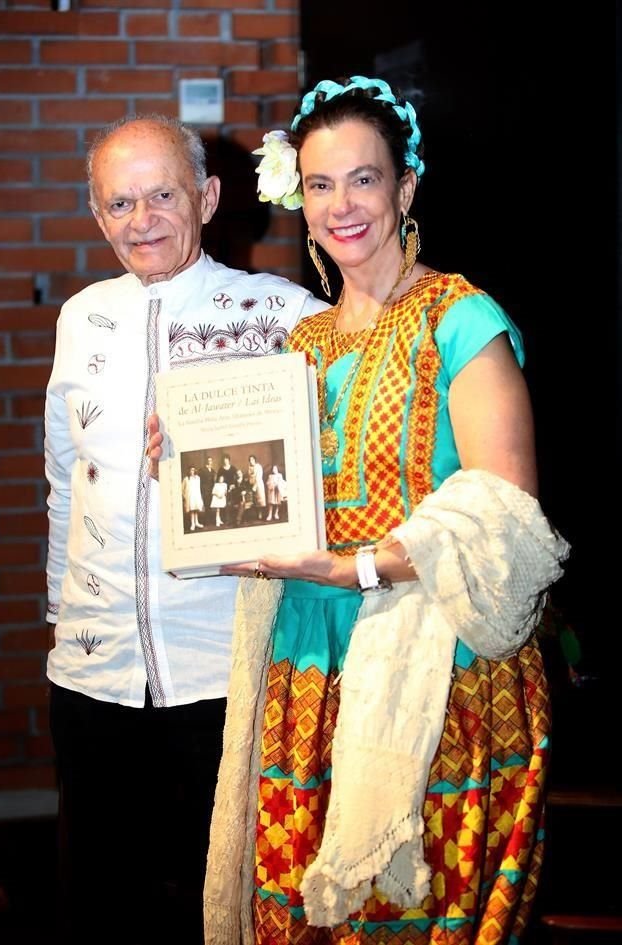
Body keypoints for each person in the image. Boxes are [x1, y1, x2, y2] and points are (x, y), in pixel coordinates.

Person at [202, 77, 571, 945]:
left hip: (432, 671)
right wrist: (191, 469)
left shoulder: (460, 317)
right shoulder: (305, 341)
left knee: (407, 913)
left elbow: (506, 516)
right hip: (303, 665)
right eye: (322, 185)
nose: (342, 206)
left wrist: (359, 567)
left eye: (364, 179)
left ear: (405, 188)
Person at [43, 113, 326, 945]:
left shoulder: (282, 313)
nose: (142, 220)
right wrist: (63, 619)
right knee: (102, 899)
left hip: (224, 674)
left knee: (223, 902)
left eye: (162, 194)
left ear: (204, 197)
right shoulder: (81, 318)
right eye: (120, 203)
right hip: (93, 676)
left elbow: (336, 461)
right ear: (99, 217)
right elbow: (65, 478)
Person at [182, 464, 204, 531]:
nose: (192, 471)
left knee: (196, 509)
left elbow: (198, 488)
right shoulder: (186, 479)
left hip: (196, 496)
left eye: (193, 470)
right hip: (190, 496)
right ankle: (192, 524)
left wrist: (199, 496)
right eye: (191, 470)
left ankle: (196, 522)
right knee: (192, 510)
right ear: (189, 471)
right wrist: (185, 496)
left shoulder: (197, 478)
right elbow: (182, 488)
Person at [247, 453, 265, 520]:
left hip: (258, 484)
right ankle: (256, 513)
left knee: (259, 499)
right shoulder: (249, 467)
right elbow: (249, 476)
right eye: (250, 460)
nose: (251, 461)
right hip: (252, 484)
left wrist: (255, 486)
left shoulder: (258, 466)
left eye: (252, 459)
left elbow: (259, 477)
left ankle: (260, 513)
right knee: (254, 500)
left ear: (255, 460)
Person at [200, 454, 216, 527]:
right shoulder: (202, 470)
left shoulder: (212, 470)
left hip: (211, 490)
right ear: (206, 461)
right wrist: (202, 490)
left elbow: (214, 481)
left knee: (210, 505)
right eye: (209, 461)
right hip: (205, 490)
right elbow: (200, 481)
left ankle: (211, 521)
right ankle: (206, 522)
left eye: (211, 461)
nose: (210, 462)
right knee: (206, 506)